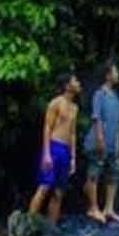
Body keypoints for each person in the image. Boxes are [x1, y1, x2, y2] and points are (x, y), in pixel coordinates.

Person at [28, 72, 80, 223]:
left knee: (59, 192)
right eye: (75, 80)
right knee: (44, 188)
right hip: (53, 147)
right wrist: (46, 154)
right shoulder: (56, 103)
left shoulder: (75, 107)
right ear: (67, 85)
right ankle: (27, 226)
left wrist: (73, 158)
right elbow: (47, 128)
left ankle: (51, 229)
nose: (78, 83)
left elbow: (73, 133)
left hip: (65, 150)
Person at [84, 59, 119, 226]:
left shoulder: (116, 98)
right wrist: (100, 139)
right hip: (97, 141)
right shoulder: (99, 94)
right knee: (94, 172)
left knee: (115, 171)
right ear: (108, 75)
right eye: (115, 71)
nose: (118, 74)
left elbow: (117, 123)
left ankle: (109, 208)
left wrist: (117, 142)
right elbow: (96, 118)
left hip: (112, 142)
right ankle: (93, 208)